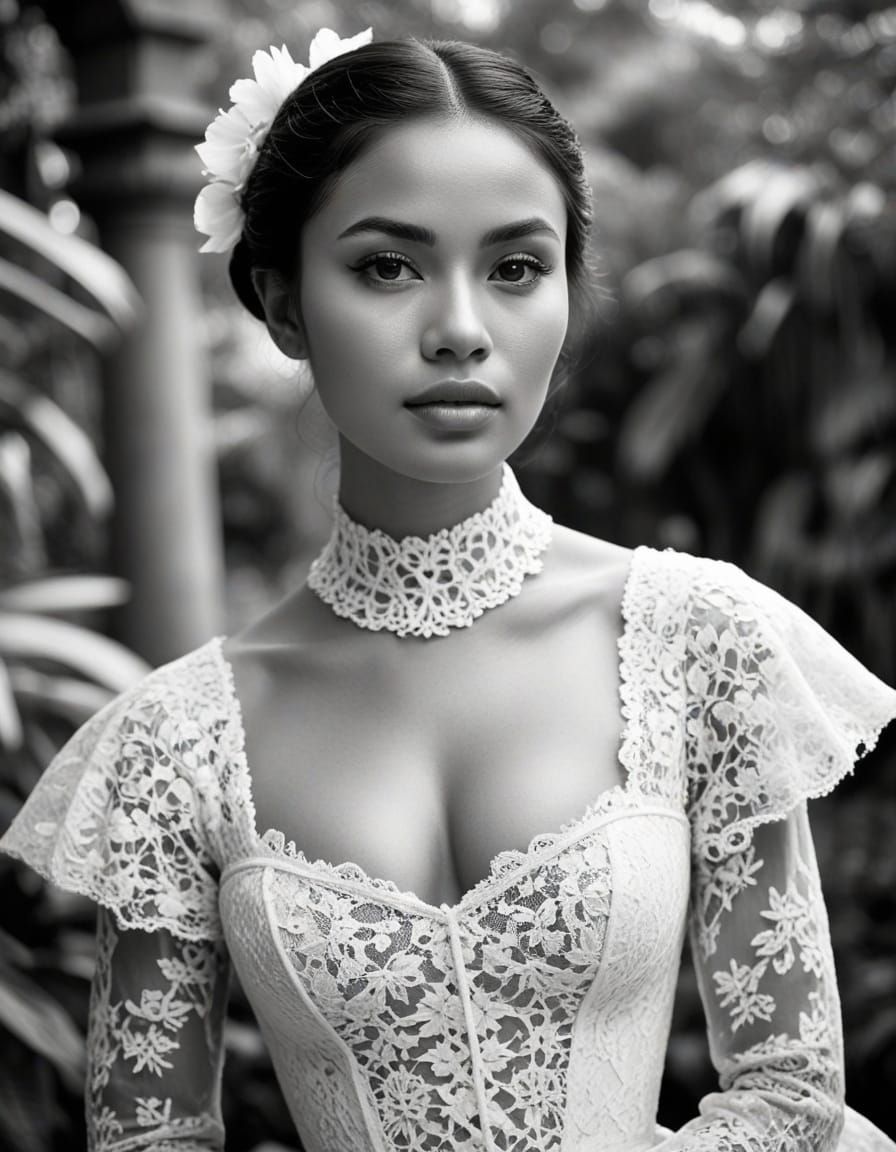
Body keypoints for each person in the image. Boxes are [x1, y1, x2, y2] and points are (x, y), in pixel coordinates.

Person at [2, 26, 896, 1152]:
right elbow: (146, 1140)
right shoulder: (176, 743)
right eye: (387, 265)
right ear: (281, 304)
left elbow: (789, 1097)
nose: (461, 331)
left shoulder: (696, 641)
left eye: (515, 267)